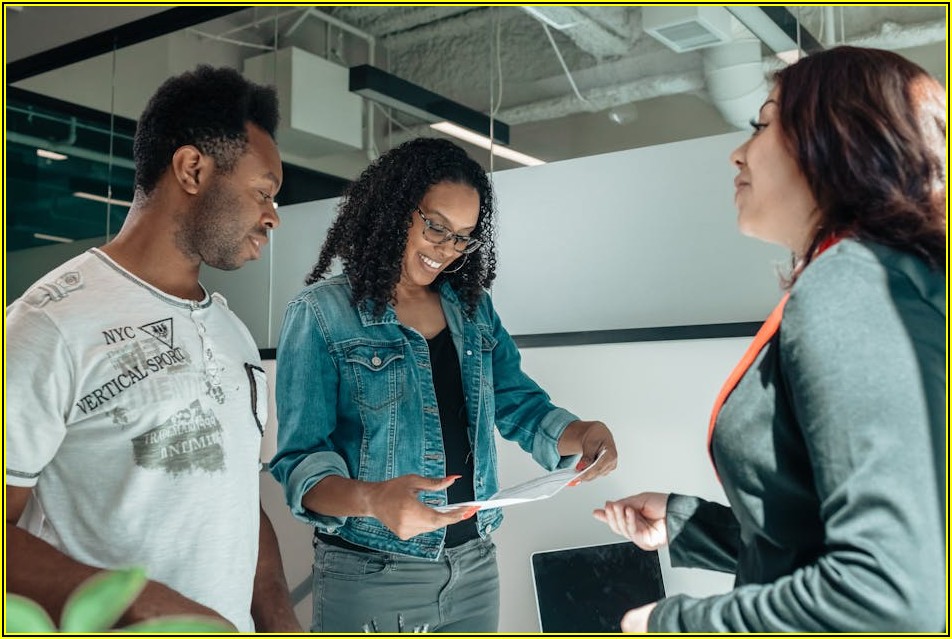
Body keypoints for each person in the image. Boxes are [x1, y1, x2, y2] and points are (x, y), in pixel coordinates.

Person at [594, 46, 946, 632]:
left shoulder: (852, 284)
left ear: (836, 140)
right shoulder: (897, 280)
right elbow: (823, 539)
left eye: (761, 125)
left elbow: (890, 594)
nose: (738, 151)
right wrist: (688, 524)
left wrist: (670, 623)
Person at [269, 136, 618, 632]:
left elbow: (518, 404)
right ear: (393, 209)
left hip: (474, 567)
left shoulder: (471, 310)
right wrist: (373, 499)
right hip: (374, 572)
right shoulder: (322, 314)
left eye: (463, 237)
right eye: (436, 227)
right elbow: (300, 463)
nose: (447, 250)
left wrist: (581, 433)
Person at [5, 65, 301, 632]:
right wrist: (139, 603)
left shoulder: (231, 332)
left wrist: (279, 618)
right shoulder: (49, 324)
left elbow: (235, 495)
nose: (272, 216)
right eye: (263, 192)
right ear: (192, 169)